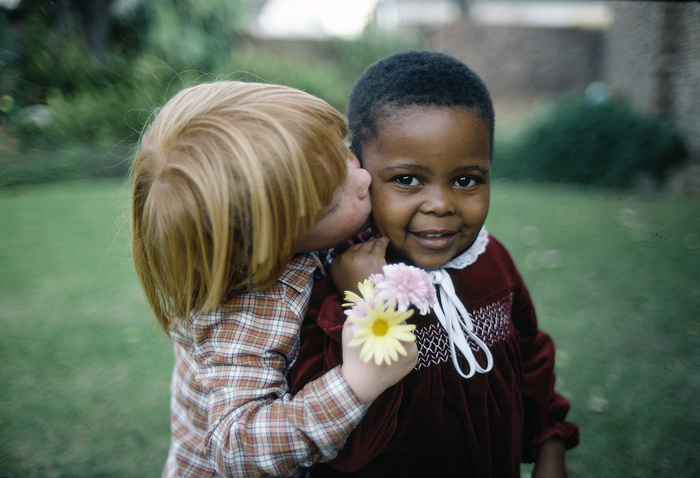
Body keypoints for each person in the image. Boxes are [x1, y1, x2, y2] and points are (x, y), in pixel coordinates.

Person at [289, 51, 579, 477]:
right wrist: (363, 302)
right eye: (407, 179)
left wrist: (550, 446)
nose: (441, 205)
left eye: (466, 180)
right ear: (361, 173)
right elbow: (336, 440)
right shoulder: (336, 278)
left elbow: (532, 357)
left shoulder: (493, 259)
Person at [129, 80, 418, 478]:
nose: (364, 178)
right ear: (268, 245)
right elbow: (235, 447)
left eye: (344, 152)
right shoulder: (245, 308)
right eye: (334, 200)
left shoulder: (298, 242)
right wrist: (358, 381)